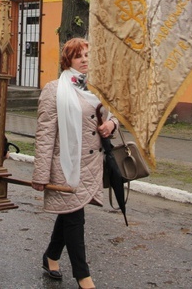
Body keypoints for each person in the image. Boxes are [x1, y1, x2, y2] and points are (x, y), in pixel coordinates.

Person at [31, 38, 118, 289]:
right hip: (65, 164)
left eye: (88, 55)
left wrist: (110, 124)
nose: (85, 60)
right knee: (74, 218)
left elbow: (115, 114)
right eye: (78, 56)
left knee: (70, 212)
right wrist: (41, 174)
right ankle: (83, 276)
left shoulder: (98, 87)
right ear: (67, 60)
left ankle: (51, 256)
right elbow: (45, 134)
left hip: (92, 162)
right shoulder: (53, 89)